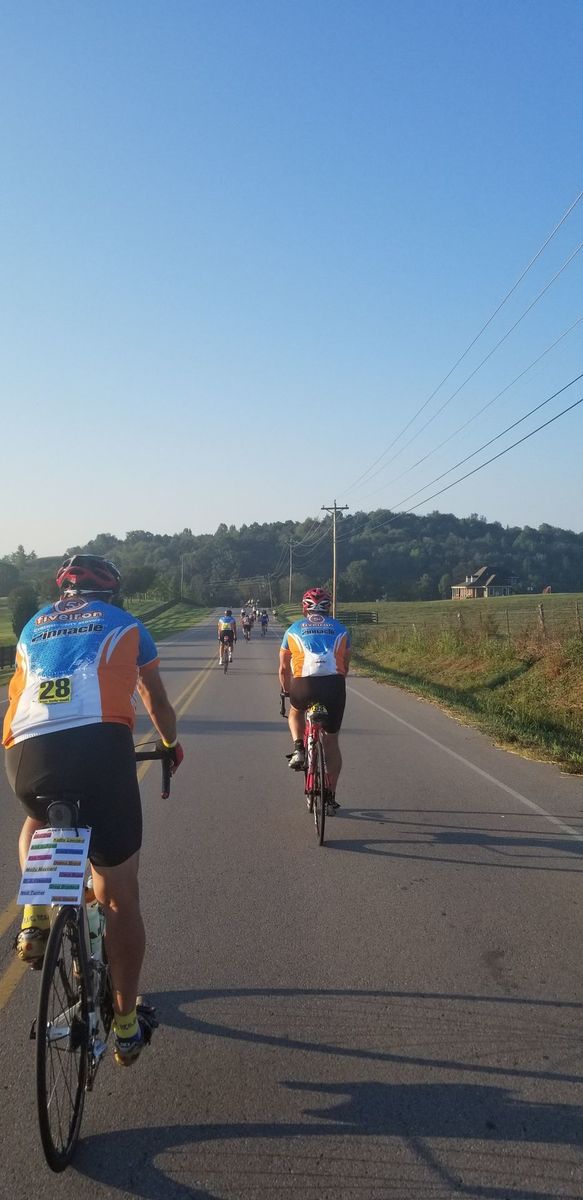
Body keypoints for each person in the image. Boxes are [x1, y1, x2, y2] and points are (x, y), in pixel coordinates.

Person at [2, 554, 184, 1067]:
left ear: (62, 591)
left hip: (26, 751)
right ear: (111, 593)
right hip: (100, 750)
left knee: (37, 818)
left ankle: (36, 915)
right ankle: (125, 1028)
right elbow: (155, 700)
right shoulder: (127, 624)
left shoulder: (34, 625)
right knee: (119, 896)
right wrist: (170, 744)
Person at [278, 587, 351, 812]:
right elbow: (345, 666)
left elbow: (283, 669)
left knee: (295, 711)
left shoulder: (293, 629)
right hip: (333, 686)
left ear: (304, 608)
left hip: (303, 685)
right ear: (328, 608)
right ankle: (330, 796)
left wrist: (286, 691)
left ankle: (299, 748)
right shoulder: (341, 629)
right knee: (331, 742)